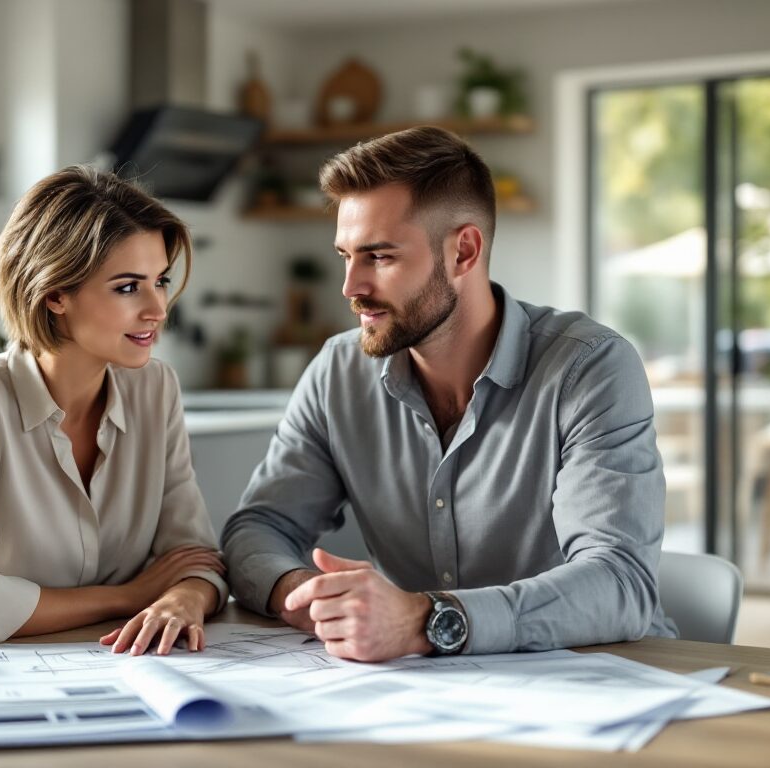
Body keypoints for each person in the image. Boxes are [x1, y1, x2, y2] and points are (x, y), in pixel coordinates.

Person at [221, 126, 677, 662]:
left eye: (380, 257)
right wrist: (305, 595)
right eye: (345, 256)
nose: (350, 287)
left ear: (464, 251)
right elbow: (260, 527)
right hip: (420, 690)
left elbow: (620, 583)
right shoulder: (337, 372)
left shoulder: (590, 368)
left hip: (602, 681)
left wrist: (425, 620)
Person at [0, 166, 226, 656]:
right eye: (126, 287)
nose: (157, 308)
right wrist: (129, 597)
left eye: (159, 281)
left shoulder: (155, 388)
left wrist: (182, 598)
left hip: (125, 670)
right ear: (55, 293)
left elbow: (195, 558)